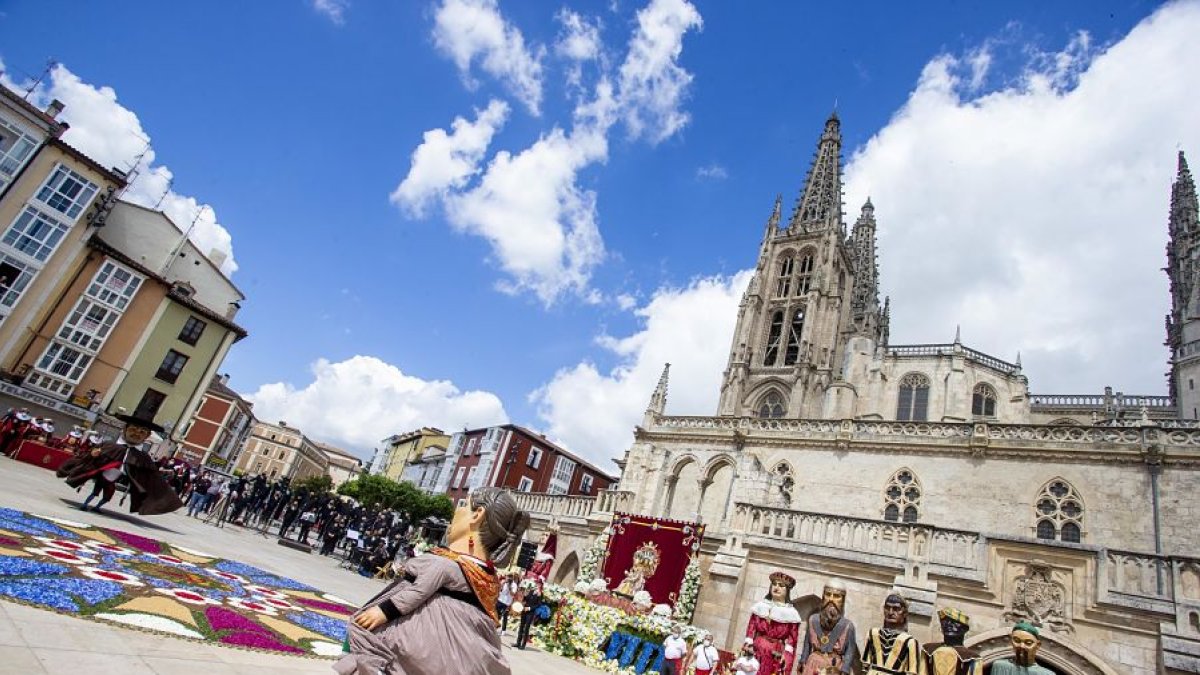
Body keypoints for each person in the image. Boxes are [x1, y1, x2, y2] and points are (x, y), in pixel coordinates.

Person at [336, 487, 529, 675]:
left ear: (477, 514)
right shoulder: (489, 576)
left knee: (366, 641)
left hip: (415, 643)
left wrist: (383, 611)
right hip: (465, 654)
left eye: (464, 504)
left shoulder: (444, 564)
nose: (457, 510)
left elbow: (418, 591)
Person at [56, 413, 183, 516]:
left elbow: (154, 479)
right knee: (95, 492)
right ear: (125, 429)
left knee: (107, 496)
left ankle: (97, 507)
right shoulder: (108, 446)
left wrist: (167, 501)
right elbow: (83, 459)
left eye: (142, 432)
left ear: (147, 436)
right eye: (133, 429)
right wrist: (91, 455)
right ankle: (85, 505)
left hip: (114, 481)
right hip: (103, 478)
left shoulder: (144, 458)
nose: (137, 434)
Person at [745, 571, 802, 675]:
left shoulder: (792, 614)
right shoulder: (760, 606)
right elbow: (751, 628)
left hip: (775, 654)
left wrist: (787, 658)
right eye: (774, 584)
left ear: (787, 590)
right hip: (756, 649)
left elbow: (792, 641)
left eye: (781, 586)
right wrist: (748, 643)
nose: (776, 587)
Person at [799, 579, 859, 675]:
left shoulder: (848, 626)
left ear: (842, 600)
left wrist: (845, 669)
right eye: (828, 594)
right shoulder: (813, 620)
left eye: (836, 596)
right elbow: (807, 644)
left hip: (834, 668)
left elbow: (850, 651)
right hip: (812, 665)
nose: (831, 599)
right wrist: (803, 660)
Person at [862, 593, 921, 675]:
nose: (890, 612)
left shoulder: (910, 642)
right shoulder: (872, 633)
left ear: (904, 613)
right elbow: (865, 666)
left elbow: (912, 672)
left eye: (896, 609)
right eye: (887, 608)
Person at [922, 608, 980, 675]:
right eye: (944, 621)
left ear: (964, 628)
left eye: (954, 622)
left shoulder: (972, 657)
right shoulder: (929, 649)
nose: (948, 625)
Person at [989, 623, 1054, 675]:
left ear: (1038, 645)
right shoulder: (999, 666)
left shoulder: (1046, 674)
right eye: (1017, 640)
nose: (1021, 646)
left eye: (1028, 643)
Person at [515, 584, 543, 650]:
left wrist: (529, 608)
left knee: (526, 628)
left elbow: (538, 605)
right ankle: (518, 643)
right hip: (524, 611)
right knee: (521, 626)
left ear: (540, 587)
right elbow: (525, 600)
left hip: (530, 613)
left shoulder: (539, 594)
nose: (536, 586)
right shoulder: (530, 591)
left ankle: (523, 645)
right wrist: (525, 595)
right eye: (536, 584)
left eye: (538, 585)